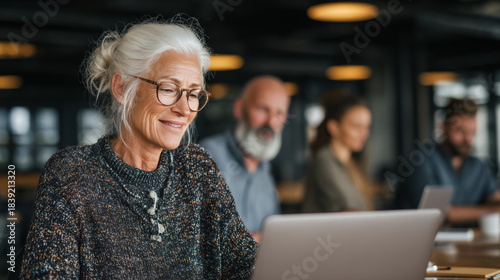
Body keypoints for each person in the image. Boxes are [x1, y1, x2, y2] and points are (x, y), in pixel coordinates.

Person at [20, 17, 257, 279]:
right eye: (168, 89)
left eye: (192, 94)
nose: (184, 109)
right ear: (122, 88)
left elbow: (249, 266)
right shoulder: (72, 174)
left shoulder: (197, 169)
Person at [199, 76, 290, 240]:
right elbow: (197, 239)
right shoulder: (206, 156)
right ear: (239, 109)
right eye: (263, 109)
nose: (270, 121)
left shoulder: (264, 169)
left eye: (279, 113)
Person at [394, 98, 500, 224]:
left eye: (472, 132)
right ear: (443, 127)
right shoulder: (420, 161)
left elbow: (494, 197)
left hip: (469, 241)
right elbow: (439, 213)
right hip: (420, 240)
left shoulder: (479, 166)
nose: (468, 139)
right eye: (460, 131)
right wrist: (491, 212)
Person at [302, 93, 378, 213]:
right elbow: (348, 211)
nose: (364, 134)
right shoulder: (324, 160)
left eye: (366, 127)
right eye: (356, 126)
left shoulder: (351, 164)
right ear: (334, 127)